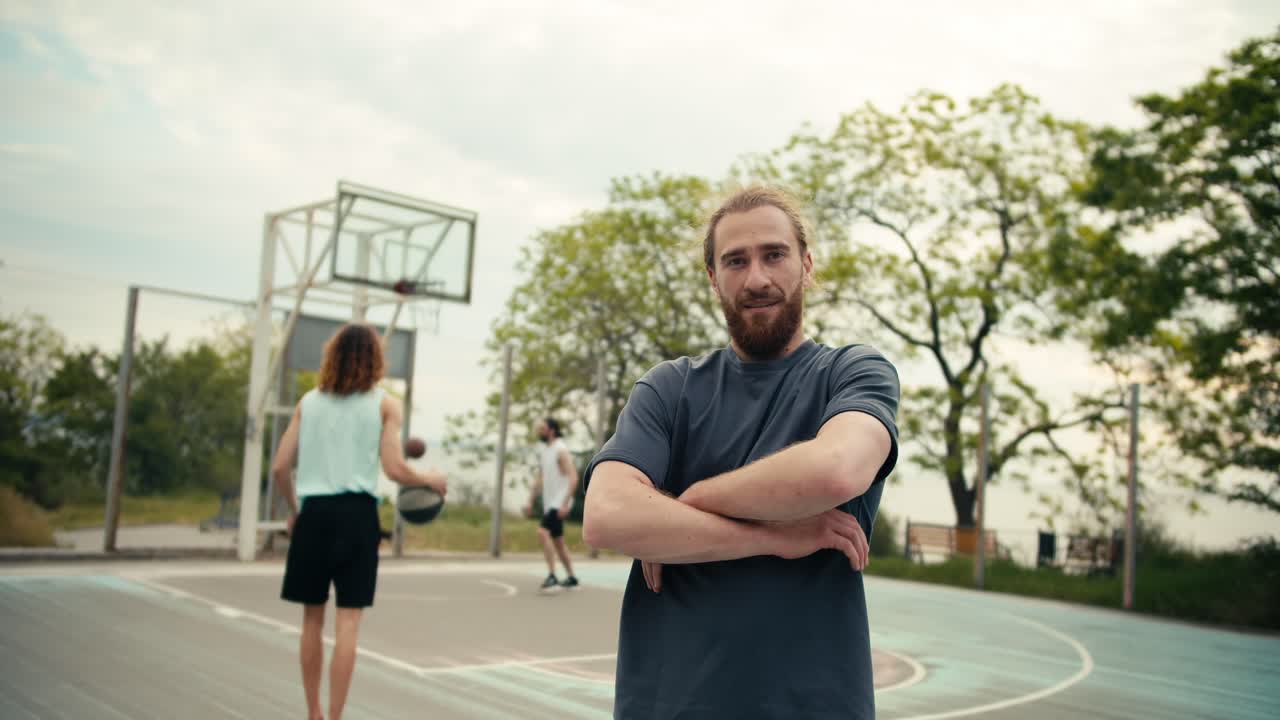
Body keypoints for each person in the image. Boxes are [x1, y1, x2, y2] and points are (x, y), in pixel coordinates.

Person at [583, 186, 900, 719]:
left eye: (774, 254)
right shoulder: (670, 388)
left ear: (806, 263)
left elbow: (837, 470)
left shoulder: (854, 373)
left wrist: (684, 505)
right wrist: (776, 536)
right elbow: (605, 515)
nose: (757, 278)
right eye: (735, 261)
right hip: (669, 705)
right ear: (713, 278)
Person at [271, 323, 447, 720]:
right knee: (348, 621)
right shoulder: (385, 405)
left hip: (314, 513)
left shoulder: (308, 403)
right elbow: (394, 468)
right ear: (375, 361)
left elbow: (281, 467)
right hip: (356, 517)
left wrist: (295, 510)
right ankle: (335, 717)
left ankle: (312, 712)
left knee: (311, 620)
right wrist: (430, 479)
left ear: (330, 357)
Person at [524, 417, 580, 592]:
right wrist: (530, 500)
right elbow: (540, 478)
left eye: (543, 428)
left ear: (552, 430)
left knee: (543, 532)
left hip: (559, 502)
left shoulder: (560, 450)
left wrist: (564, 504)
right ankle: (571, 577)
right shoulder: (545, 451)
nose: (539, 431)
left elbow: (573, 477)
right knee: (558, 541)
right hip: (551, 503)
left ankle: (552, 576)